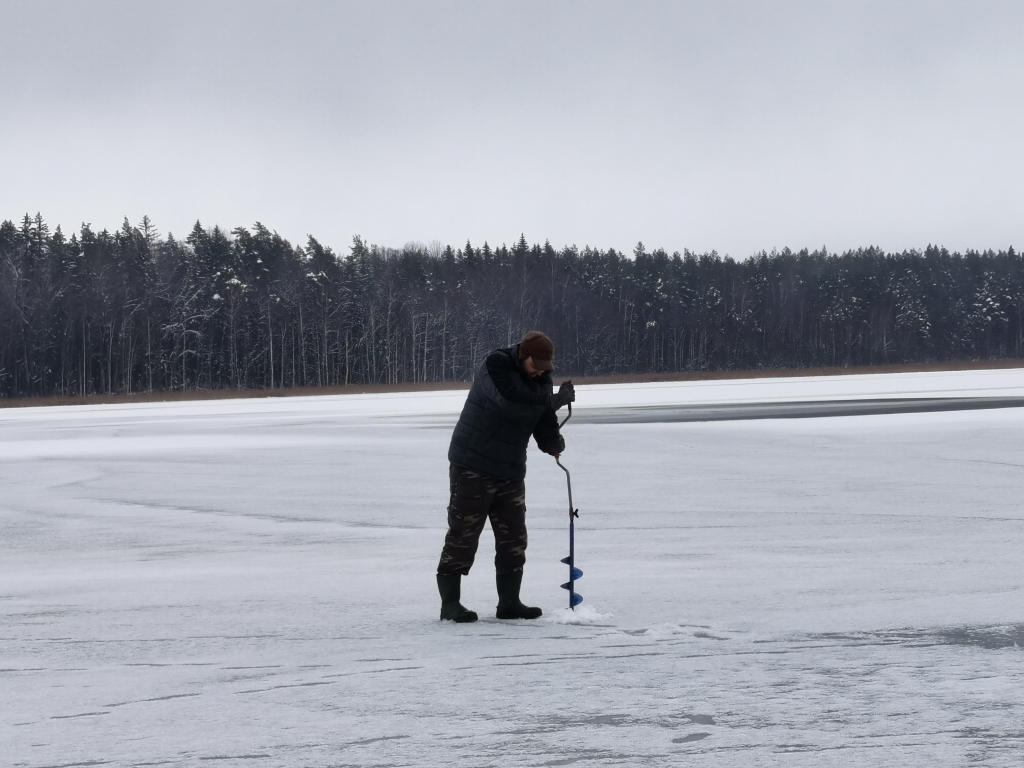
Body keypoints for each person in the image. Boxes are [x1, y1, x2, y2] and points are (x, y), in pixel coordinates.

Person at [436, 330, 576, 622]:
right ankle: (450, 604)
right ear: (522, 356)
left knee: (514, 538)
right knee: (463, 535)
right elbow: (510, 404)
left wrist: (553, 442)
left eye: (544, 368)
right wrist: (552, 401)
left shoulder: (540, 381)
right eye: (535, 365)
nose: (539, 371)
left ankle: (509, 602)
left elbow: (539, 416)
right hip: (472, 463)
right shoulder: (495, 366)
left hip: (510, 468)